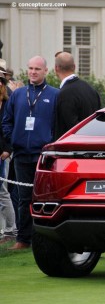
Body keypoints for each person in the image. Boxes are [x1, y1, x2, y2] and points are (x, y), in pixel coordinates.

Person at [2, 55, 59, 250]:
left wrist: (50, 144)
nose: (33, 72)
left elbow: (58, 124)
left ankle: (44, 239)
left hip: (43, 155)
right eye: (30, 68)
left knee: (43, 198)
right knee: (23, 198)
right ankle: (23, 239)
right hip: (21, 154)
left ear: (45, 71)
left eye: (37, 69)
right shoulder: (18, 95)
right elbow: (6, 120)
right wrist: (13, 140)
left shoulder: (54, 95)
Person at [54, 51, 101, 139]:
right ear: (74, 66)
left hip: (73, 147)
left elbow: (71, 128)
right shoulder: (91, 89)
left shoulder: (64, 94)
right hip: (92, 142)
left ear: (56, 68)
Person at [0, 72, 16, 243]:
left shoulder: (7, 103)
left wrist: (8, 150)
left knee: (3, 193)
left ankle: (10, 230)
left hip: (3, 154)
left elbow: (10, 126)